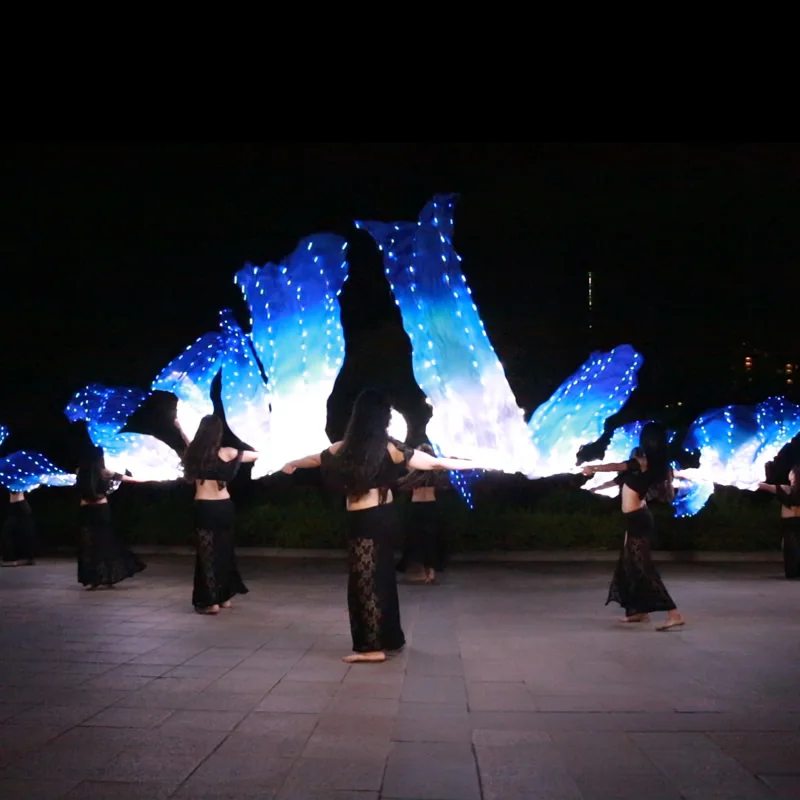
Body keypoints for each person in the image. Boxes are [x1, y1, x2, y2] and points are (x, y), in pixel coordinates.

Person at [280, 388, 480, 663]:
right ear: (384, 418)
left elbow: (315, 459)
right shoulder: (390, 448)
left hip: (364, 520)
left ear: (357, 417)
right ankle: (390, 639)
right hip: (383, 518)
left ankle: (371, 646)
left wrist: (292, 463)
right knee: (381, 578)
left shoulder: (343, 448)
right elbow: (432, 463)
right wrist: (471, 463)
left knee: (364, 581)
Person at [582, 423, 685, 631]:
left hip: (639, 520)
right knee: (629, 564)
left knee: (643, 566)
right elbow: (619, 477)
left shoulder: (644, 463)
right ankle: (638, 611)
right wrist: (597, 486)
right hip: (635, 519)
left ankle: (674, 614)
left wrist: (593, 468)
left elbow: (617, 466)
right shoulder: (649, 466)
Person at [180, 414, 260, 614]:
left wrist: (179, 425)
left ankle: (211, 601)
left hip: (204, 507)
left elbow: (187, 440)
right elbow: (256, 455)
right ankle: (224, 597)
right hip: (224, 506)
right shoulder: (228, 452)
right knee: (224, 551)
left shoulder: (193, 453)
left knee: (207, 553)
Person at [76, 446, 148, 589]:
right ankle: (107, 576)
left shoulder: (80, 471)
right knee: (104, 543)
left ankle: (91, 579)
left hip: (85, 509)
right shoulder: (104, 472)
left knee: (88, 544)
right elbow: (128, 479)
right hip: (101, 509)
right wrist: (145, 479)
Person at [395, 443, 451, 584]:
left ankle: (425, 571)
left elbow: (401, 482)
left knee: (418, 539)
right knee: (430, 540)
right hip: (431, 507)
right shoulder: (434, 471)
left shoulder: (414, 470)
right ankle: (429, 572)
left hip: (418, 508)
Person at [758, 463, 800, 580]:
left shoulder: (786, 489)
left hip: (790, 524)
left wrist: (749, 483)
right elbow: (766, 487)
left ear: (794, 476)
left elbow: (766, 487)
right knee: (793, 547)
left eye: (791, 473)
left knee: (791, 547)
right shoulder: (786, 489)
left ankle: (793, 571)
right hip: (792, 523)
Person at [1, 490, 36, 566]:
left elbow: (14, 491)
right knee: (21, 532)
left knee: (8, 533)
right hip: (17, 506)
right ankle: (26, 557)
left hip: (20, 506)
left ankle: (12, 558)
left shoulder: (15, 482)